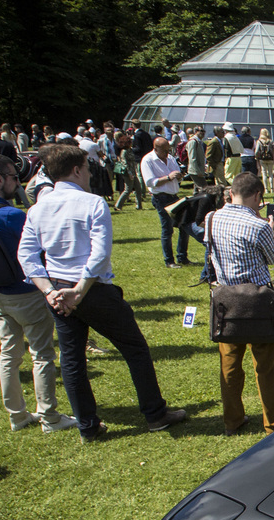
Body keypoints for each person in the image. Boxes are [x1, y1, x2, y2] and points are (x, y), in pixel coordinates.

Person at [16, 143, 186, 443]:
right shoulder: (92, 203)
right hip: (90, 289)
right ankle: (156, 414)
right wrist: (79, 290)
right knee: (134, 349)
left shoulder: (38, 207)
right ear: (77, 170)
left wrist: (49, 291)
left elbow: (27, 255)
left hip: (59, 289)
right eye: (88, 169)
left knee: (72, 359)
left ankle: (88, 426)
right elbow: (99, 253)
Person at [0, 153, 77, 433]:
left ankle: (17, 415)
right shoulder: (11, 215)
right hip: (26, 293)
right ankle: (49, 416)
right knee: (41, 354)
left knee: (9, 355)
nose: (18, 181)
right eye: (14, 177)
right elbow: (39, 250)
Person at [208, 172, 274, 436]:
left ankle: (232, 421)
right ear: (257, 195)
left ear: (231, 193)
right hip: (258, 301)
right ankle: (273, 422)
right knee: (265, 367)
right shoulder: (259, 226)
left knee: (229, 365)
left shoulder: (211, 218)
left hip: (226, 300)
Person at [141, 137, 187, 268]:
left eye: (169, 150)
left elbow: (175, 174)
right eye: (164, 151)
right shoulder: (148, 160)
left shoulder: (171, 159)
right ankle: (169, 261)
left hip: (173, 196)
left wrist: (179, 176)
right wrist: (168, 177)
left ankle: (182, 257)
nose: (167, 153)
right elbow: (150, 182)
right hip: (161, 198)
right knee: (167, 229)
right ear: (155, 149)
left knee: (184, 226)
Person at [254, 128, 274, 198]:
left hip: (262, 159)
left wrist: (256, 157)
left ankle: (266, 189)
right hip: (270, 159)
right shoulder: (270, 141)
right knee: (271, 174)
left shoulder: (259, 141)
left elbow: (256, 151)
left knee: (264, 174)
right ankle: (272, 188)